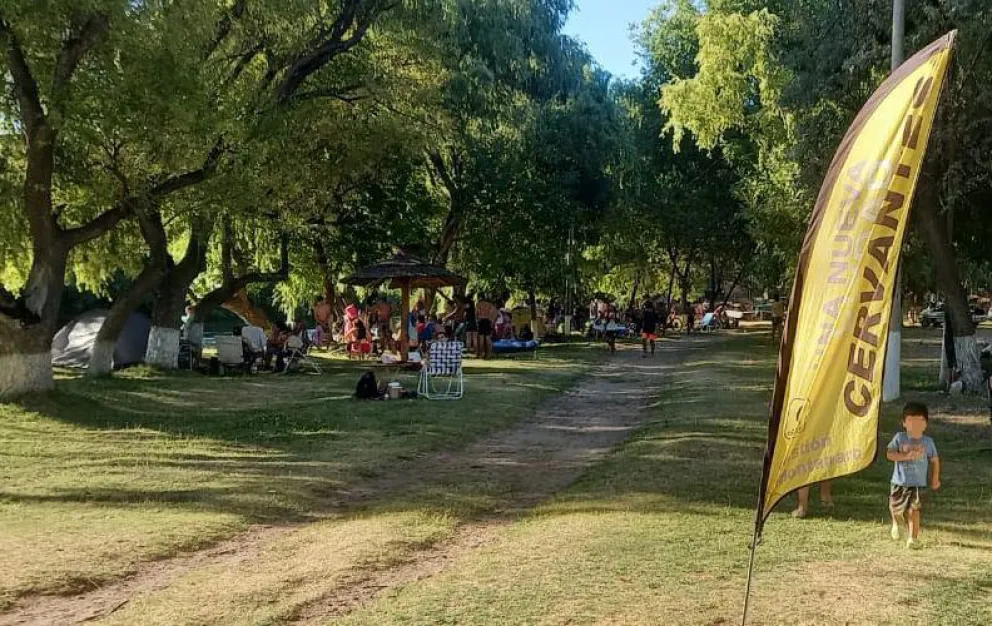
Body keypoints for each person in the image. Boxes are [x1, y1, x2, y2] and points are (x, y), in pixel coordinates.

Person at [887, 402, 941, 549]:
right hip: (899, 482)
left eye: (919, 421)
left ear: (926, 423)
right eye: (911, 421)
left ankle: (913, 538)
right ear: (904, 423)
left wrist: (935, 478)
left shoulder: (928, 442)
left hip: (918, 484)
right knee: (895, 508)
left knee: (914, 510)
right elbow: (889, 454)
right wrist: (905, 456)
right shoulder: (899, 438)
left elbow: (935, 461)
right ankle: (896, 523)